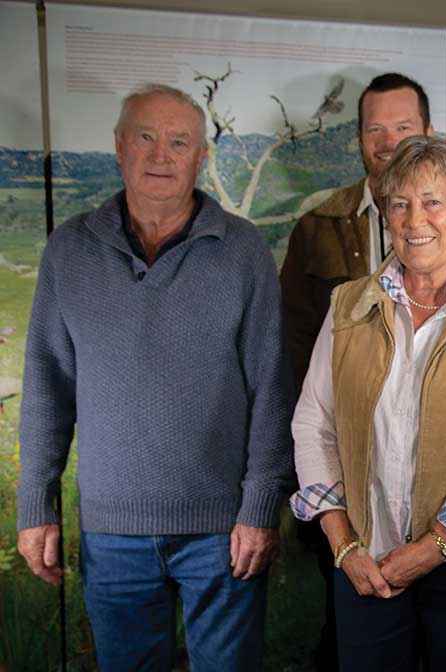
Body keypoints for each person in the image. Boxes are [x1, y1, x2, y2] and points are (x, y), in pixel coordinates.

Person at [15, 84, 291, 670]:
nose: (161, 154)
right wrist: (36, 503)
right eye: (146, 137)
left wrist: (260, 505)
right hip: (112, 535)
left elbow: (271, 387)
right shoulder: (69, 250)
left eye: (179, 141)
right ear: (119, 148)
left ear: (201, 157)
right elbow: (46, 386)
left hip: (223, 532)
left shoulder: (243, 252)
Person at [289, 134, 446, 672]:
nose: (414, 219)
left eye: (433, 202)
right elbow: (314, 423)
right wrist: (343, 544)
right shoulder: (348, 306)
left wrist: (433, 547)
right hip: (364, 557)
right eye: (399, 204)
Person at [281, 72, 446, 391]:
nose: (389, 142)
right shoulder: (316, 227)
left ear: (429, 134)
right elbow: (292, 343)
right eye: (375, 129)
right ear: (360, 138)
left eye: (403, 128)